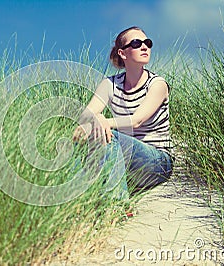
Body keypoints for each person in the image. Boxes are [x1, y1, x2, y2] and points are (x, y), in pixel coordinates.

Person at [72, 26, 173, 195]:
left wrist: (104, 122)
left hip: (157, 162)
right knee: (83, 138)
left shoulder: (157, 84)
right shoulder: (110, 84)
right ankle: (74, 196)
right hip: (123, 158)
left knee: (108, 136)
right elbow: (85, 115)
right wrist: (94, 119)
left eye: (147, 43)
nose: (144, 47)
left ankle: (116, 207)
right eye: (136, 43)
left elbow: (137, 120)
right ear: (122, 53)